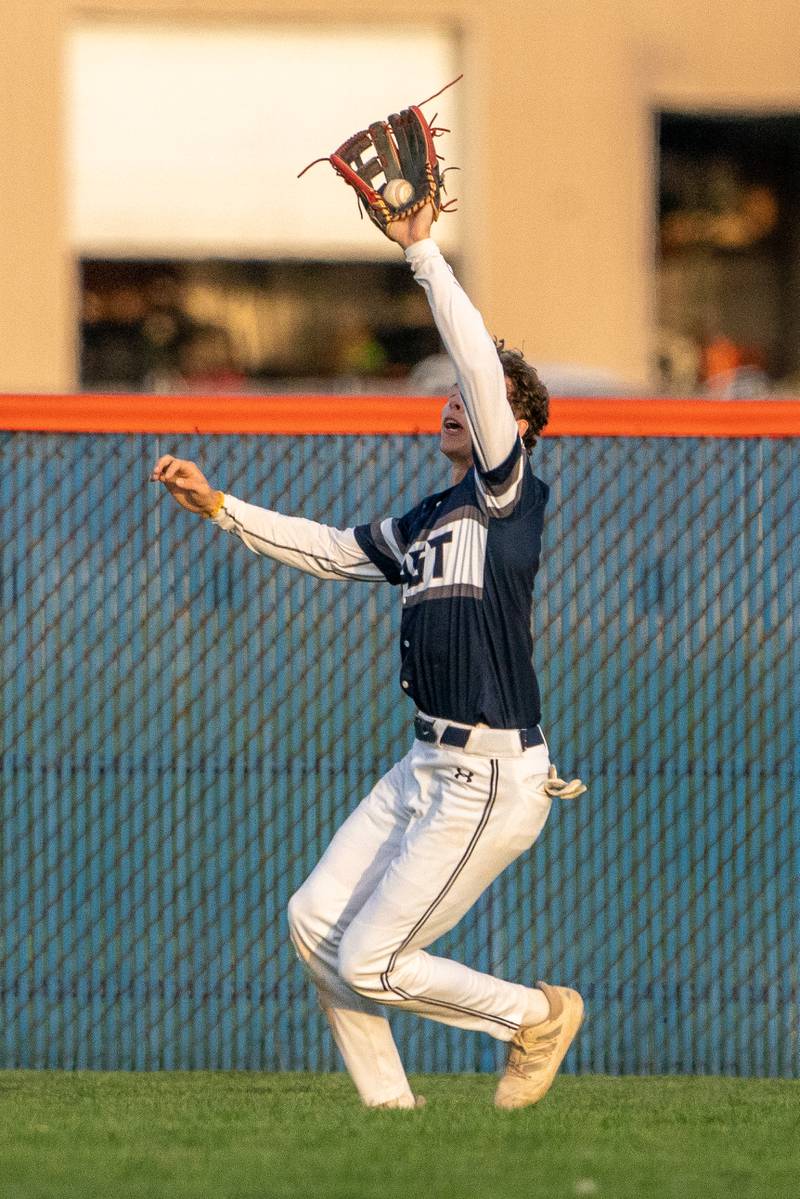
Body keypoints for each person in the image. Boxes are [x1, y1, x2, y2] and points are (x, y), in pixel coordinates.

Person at [151, 199, 584, 1110]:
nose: (453, 403)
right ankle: (390, 1116)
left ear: (506, 417)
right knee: (315, 922)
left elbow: (473, 355)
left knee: (375, 958)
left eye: (473, 397)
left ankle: (532, 1014)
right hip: (426, 763)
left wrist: (420, 249)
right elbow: (331, 549)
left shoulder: (508, 493)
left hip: (492, 776)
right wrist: (225, 508)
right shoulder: (428, 519)